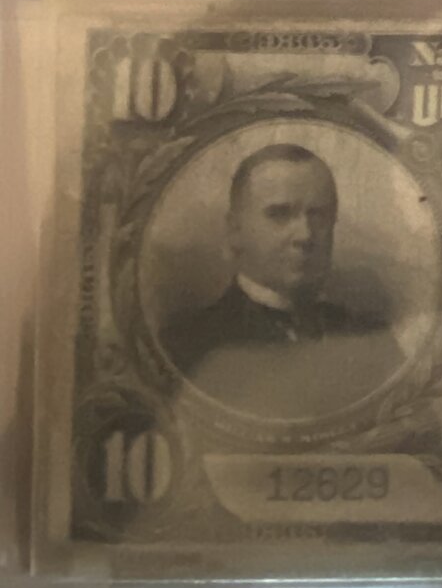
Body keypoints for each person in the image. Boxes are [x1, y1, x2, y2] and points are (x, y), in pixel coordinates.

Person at [161, 144, 403, 419]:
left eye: (318, 215)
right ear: (235, 230)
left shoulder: (374, 341)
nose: (305, 235)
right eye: (280, 214)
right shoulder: (185, 347)